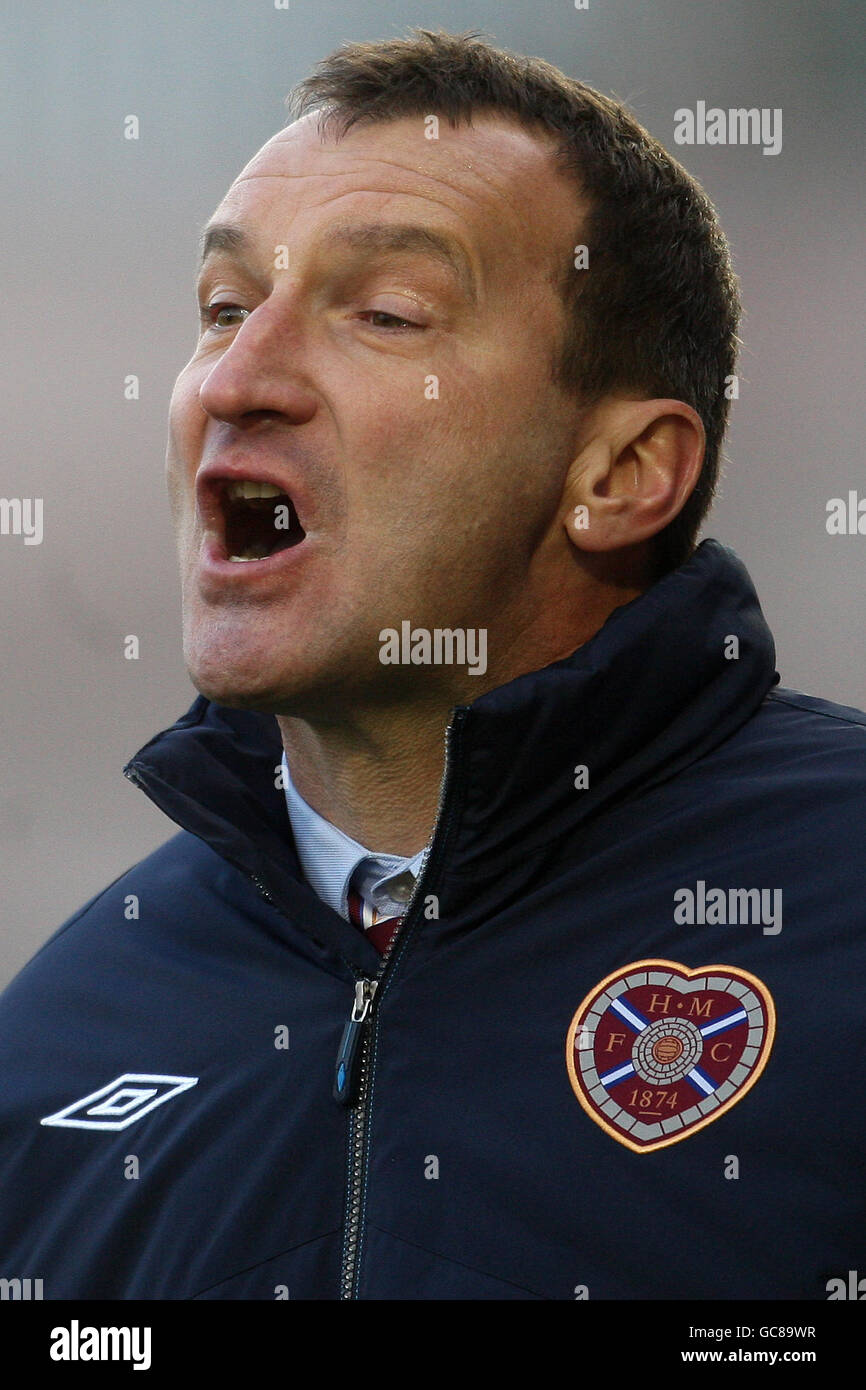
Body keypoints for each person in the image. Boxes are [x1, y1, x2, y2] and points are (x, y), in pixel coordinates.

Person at [1, 28, 864, 1302]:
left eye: (387, 314)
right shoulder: (62, 1035)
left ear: (620, 475)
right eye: (224, 310)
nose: (236, 379)